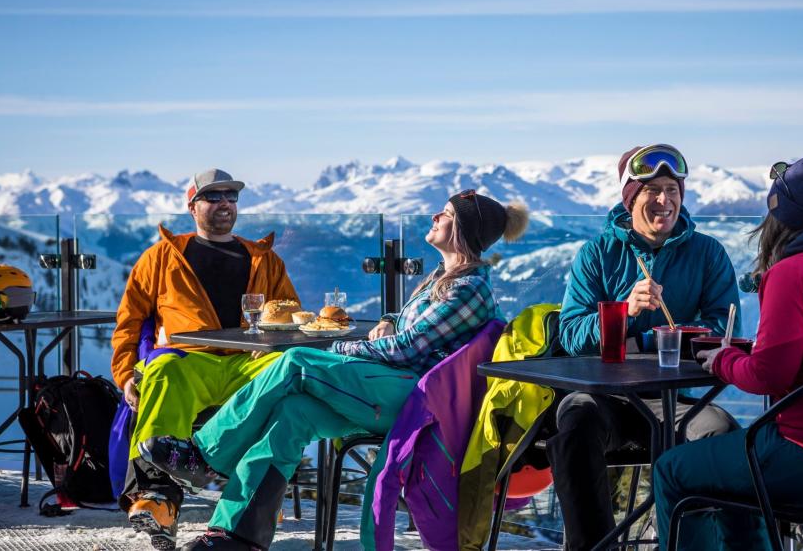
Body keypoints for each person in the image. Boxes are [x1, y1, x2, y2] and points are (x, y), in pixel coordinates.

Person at [138, 190, 530, 551]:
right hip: (391, 387)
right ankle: (236, 535)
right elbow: (409, 324)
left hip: (412, 400)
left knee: (295, 363)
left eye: (444, 214)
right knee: (292, 414)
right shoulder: (443, 280)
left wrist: (337, 345)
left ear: (463, 230)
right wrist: (391, 319)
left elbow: (407, 349)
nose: (433, 217)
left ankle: (205, 455)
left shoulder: (469, 289)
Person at [654, 152, 803, 549]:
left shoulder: (794, 271)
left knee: (672, 471)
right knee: (735, 477)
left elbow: (768, 375)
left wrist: (724, 359)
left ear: (779, 216)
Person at [551, 144, 741, 550]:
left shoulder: (707, 254)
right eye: (651, 190)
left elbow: (726, 331)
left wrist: (651, 339)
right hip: (605, 397)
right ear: (630, 198)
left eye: (672, 189)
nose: (664, 200)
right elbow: (570, 335)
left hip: (671, 403)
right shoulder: (597, 254)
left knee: (722, 434)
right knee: (575, 427)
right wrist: (623, 312)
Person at [111, 168, 299, 550]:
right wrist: (125, 374)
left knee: (287, 373)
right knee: (162, 371)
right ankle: (157, 500)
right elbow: (129, 320)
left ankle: (253, 495)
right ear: (192, 206)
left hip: (249, 359)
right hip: (189, 360)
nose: (225, 204)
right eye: (214, 197)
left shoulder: (265, 259)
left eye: (231, 197)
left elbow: (290, 315)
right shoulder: (161, 256)